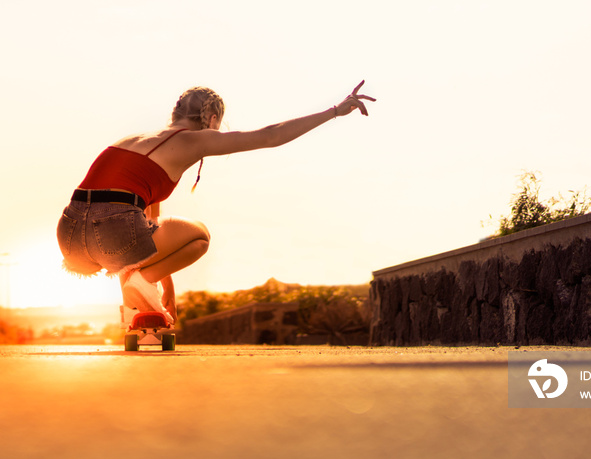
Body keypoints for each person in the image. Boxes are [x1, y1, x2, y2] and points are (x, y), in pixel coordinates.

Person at [57, 81, 375, 323]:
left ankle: (137, 299)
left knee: (136, 251)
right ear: (210, 119)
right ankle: (139, 286)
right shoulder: (192, 138)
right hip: (113, 230)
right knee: (200, 235)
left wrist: (167, 288)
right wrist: (334, 111)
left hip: (70, 236)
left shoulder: (133, 140)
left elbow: (145, 228)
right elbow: (269, 136)